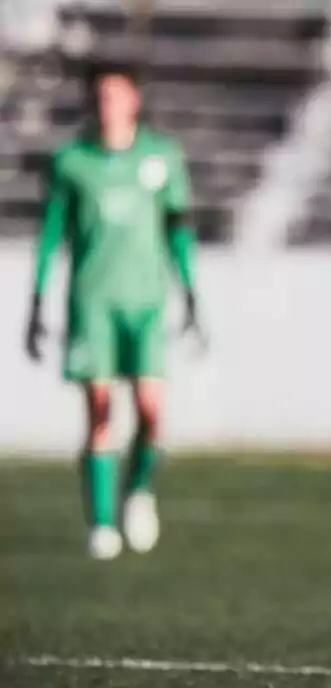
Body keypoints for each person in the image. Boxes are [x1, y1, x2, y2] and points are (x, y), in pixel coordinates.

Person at [24, 61, 200, 561]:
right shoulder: (71, 161)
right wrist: (35, 301)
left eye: (116, 96)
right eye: (101, 97)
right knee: (100, 411)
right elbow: (51, 235)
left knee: (150, 412)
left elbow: (178, 233)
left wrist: (192, 295)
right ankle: (101, 525)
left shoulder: (161, 158)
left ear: (134, 101)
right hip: (92, 302)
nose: (108, 105)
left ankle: (139, 492)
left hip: (145, 303)